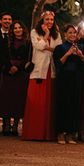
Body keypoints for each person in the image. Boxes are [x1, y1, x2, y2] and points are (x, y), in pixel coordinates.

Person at [22, 11, 61, 141]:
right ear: (42, 20)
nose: (49, 22)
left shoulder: (58, 34)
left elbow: (58, 49)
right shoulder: (35, 32)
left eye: (51, 19)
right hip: (39, 70)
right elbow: (38, 46)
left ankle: (47, 134)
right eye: (47, 19)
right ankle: (34, 133)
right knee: (36, 102)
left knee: (49, 102)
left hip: (51, 69)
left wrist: (46, 46)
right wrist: (46, 35)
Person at [53, 25, 84, 144]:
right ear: (65, 34)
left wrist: (81, 55)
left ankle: (71, 133)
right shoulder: (59, 47)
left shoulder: (82, 47)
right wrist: (68, 53)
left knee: (75, 105)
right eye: (70, 33)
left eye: (74, 33)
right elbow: (58, 64)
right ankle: (60, 133)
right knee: (63, 105)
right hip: (64, 79)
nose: (73, 35)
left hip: (77, 79)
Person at [0, 20, 30, 136]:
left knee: (18, 99)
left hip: (21, 74)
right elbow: (2, 56)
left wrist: (18, 67)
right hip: (7, 72)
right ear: (12, 30)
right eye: (15, 28)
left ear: (23, 29)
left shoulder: (28, 43)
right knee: (6, 98)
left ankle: (15, 126)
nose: (18, 30)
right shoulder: (7, 41)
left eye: (20, 28)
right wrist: (10, 66)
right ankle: (6, 125)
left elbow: (29, 58)